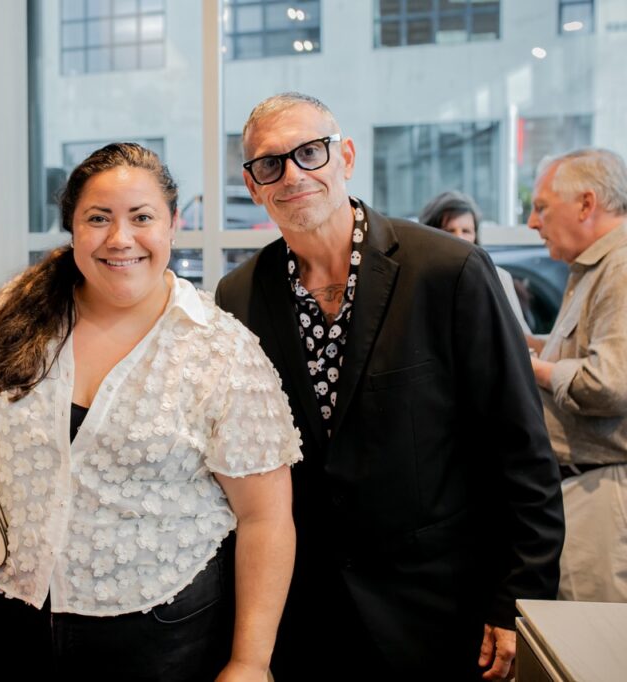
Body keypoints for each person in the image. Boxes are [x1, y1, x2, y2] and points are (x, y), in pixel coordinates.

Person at [216, 93, 564, 680]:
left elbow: (522, 450)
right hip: (308, 618)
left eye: (310, 152)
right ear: (254, 187)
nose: (293, 174)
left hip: (437, 612)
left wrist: (519, 599)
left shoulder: (448, 271)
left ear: (345, 156)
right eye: (270, 164)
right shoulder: (240, 296)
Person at [0, 142, 303, 682]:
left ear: (173, 224)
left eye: (141, 217)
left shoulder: (220, 352)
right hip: (16, 623)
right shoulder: (19, 318)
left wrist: (249, 662)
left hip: (163, 637)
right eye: (98, 219)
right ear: (73, 230)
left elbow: (266, 519)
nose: (120, 239)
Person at [525, 148, 627, 603]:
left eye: (542, 207)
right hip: (583, 487)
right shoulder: (594, 268)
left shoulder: (621, 268)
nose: (532, 222)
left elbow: (611, 383)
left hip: (604, 491)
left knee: (596, 655)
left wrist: (534, 369)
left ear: (586, 205)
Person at [419, 190, 531, 332]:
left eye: (466, 231)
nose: (459, 238)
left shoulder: (498, 278)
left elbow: (520, 339)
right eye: (449, 231)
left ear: (475, 236)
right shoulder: (419, 281)